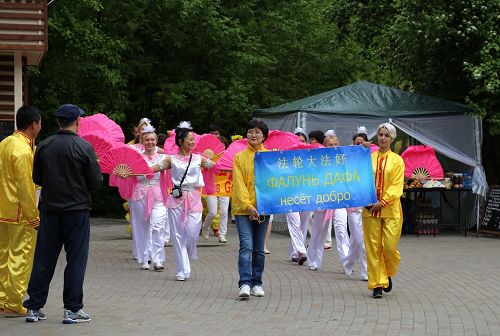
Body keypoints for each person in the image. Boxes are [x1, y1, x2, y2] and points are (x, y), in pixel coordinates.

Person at [23, 104, 103, 323]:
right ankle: (72, 309)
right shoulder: (85, 147)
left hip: (50, 210)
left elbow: (37, 178)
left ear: (58, 121)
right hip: (77, 211)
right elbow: (96, 182)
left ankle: (34, 307)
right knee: (76, 260)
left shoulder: (44, 146)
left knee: (43, 259)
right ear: (77, 121)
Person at [0, 106, 42, 315]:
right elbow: (26, 186)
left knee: (3, 256)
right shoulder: (24, 150)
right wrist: (33, 216)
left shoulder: (5, 143)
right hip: (19, 211)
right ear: (34, 124)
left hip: (2, 210)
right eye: (40, 123)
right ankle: (14, 303)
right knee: (20, 257)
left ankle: (2, 298)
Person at [163, 121, 214, 281]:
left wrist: (212, 157)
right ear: (181, 141)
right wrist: (131, 173)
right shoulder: (171, 159)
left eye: (194, 139)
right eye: (190, 139)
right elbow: (154, 168)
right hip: (176, 198)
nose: (193, 142)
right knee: (177, 235)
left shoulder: (199, 158)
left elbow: (217, 166)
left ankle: (187, 256)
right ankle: (182, 269)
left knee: (192, 232)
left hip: (193, 198)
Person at [362, 123, 404, 298]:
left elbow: (396, 185)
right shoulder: (368, 157)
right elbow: (359, 177)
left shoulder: (397, 160)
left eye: (386, 135)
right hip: (370, 209)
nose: (383, 138)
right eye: (380, 134)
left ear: (392, 138)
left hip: (390, 209)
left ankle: (386, 271)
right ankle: (377, 284)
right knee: (373, 248)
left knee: (389, 247)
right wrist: (360, 151)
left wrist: (384, 201)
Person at [233, 119, 271, 299]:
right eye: (250, 131)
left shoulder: (271, 157)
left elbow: (275, 184)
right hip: (243, 210)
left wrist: (263, 205)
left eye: (257, 132)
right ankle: (245, 283)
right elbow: (239, 185)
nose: (253, 135)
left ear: (264, 136)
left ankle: (257, 283)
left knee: (259, 249)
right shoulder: (239, 157)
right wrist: (248, 206)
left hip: (263, 209)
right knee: (246, 246)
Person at [128, 125, 169, 271]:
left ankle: (158, 260)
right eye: (147, 140)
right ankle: (144, 258)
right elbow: (129, 174)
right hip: (140, 194)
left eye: (152, 139)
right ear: (142, 141)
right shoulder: (136, 158)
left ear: (156, 141)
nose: (150, 142)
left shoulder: (164, 158)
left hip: (158, 195)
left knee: (158, 226)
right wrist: (124, 174)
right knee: (142, 227)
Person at [342, 127, 370, 281]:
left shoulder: (370, 158)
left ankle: (364, 270)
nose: (359, 146)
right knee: (358, 239)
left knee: (363, 240)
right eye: (356, 143)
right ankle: (349, 261)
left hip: (367, 204)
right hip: (352, 204)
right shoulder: (346, 159)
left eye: (362, 143)